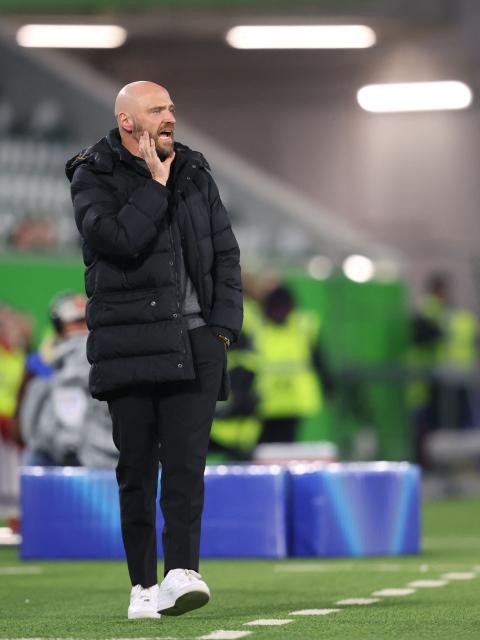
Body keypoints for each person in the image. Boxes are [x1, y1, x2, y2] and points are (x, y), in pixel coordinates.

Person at [65, 81, 243, 620]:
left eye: (170, 107)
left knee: (187, 465)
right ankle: (143, 583)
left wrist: (222, 330)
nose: (170, 116)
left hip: (195, 340)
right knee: (136, 470)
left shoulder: (194, 169)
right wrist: (156, 185)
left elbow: (226, 255)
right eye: (156, 110)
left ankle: (182, 572)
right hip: (131, 344)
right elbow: (116, 240)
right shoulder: (92, 172)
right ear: (127, 122)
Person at [18, 291, 118, 468]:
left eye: (87, 322)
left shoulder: (76, 354)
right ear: (60, 327)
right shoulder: (47, 363)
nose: (83, 328)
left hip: (94, 460)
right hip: (93, 458)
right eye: (77, 322)